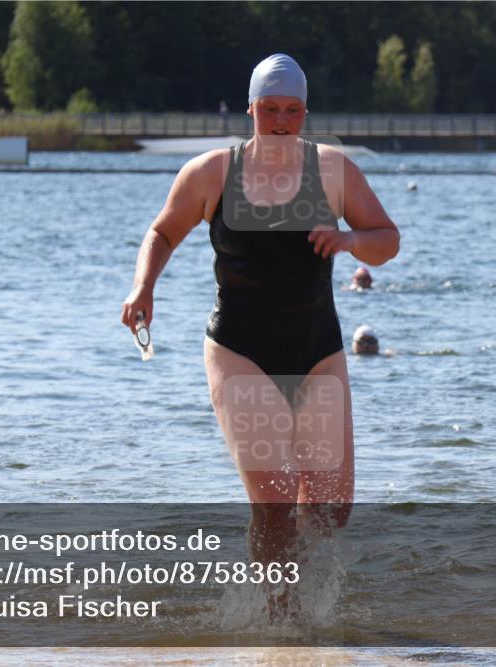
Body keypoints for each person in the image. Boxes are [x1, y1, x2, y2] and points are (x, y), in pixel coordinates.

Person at [121, 53, 399, 573]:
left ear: (304, 114)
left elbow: (387, 241)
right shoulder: (211, 173)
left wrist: (350, 238)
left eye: (292, 110)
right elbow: (161, 232)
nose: (279, 121)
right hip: (239, 349)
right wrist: (144, 287)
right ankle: (277, 624)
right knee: (273, 503)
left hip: (318, 349)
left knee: (329, 511)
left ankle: (303, 617)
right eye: (269, 108)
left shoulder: (333, 171)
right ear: (250, 109)